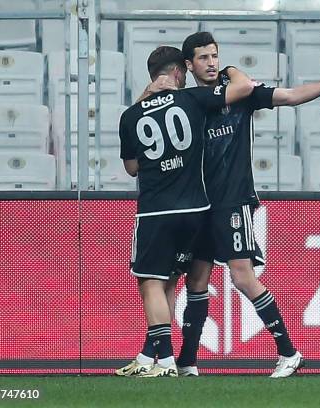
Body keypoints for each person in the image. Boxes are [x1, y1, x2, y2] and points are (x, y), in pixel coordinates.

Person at [141, 31, 320, 378]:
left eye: (215, 55)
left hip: (232, 199)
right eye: (203, 58)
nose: (211, 62)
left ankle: (289, 352)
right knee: (196, 282)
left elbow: (291, 96)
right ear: (188, 65)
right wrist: (148, 90)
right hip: (197, 204)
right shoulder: (186, 99)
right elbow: (144, 115)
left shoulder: (241, 91)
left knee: (242, 276)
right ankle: (188, 362)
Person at [115, 46, 254, 377]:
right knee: (174, 280)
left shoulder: (131, 115)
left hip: (156, 211)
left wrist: (143, 99)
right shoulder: (192, 99)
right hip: (197, 209)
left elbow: (132, 167)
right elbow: (244, 89)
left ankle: (164, 361)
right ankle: (150, 357)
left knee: (151, 282)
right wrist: (230, 70)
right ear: (179, 72)